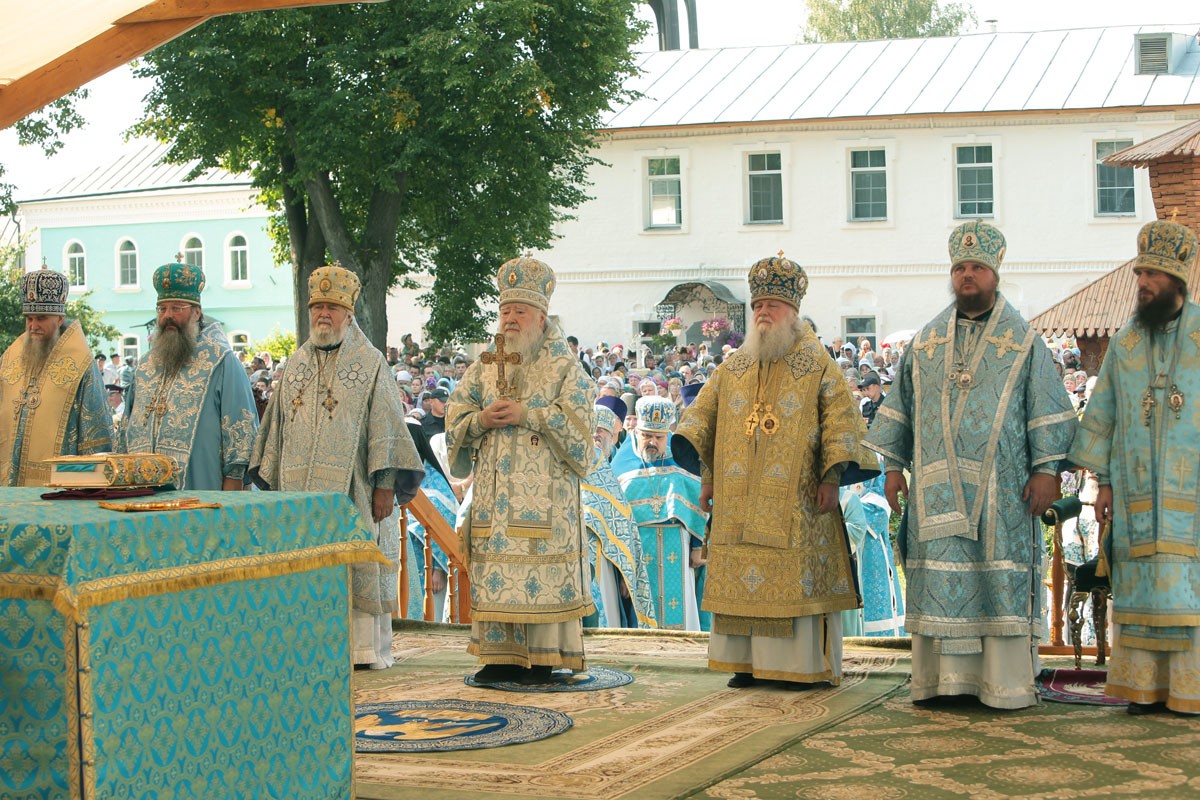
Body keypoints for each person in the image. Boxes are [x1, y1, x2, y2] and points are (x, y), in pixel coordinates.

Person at [866, 221, 1077, 708]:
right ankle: (941, 683)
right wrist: (893, 468)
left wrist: (1046, 470)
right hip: (935, 492)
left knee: (994, 585)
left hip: (1003, 495)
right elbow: (902, 407)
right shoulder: (926, 342)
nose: (967, 275)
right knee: (940, 580)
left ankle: (1001, 685)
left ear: (994, 275)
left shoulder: (1022, 342)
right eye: (960, 267)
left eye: (977, 268)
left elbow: (1047, 409)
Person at [674, 253, 878, 688]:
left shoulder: (816, 362)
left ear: (793, 310)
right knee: (739, 573)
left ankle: (797, 667)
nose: (763, 312)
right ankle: (744, 663)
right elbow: (706, 422)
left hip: (798, 501)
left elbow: (842, 423)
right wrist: (708, 478)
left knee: (794, 577)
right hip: (737, 501)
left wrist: (831, 478)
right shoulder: (735, 365)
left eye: (772, 305)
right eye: (758, 305)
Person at [250, 265, 424, 669]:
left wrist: (385, 485)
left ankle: (362, 652)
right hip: (298, 498)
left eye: (331, 307)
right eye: (317, 307)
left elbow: (386, 428)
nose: (323, 315)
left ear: (348, 313)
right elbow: (275, 430)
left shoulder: (370, 362)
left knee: (354, 567)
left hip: (354, 492)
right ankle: (308, 649)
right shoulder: (296, 364)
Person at [1068, 220, 1200, 715]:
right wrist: (1102, 483)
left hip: (1192, 498)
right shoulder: (1124, 342)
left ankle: (1189, 690)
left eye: (1152, 275)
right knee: (1138, 588)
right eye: (1139, 273)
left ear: (1176, 280)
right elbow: (1103, 416)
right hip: (1133, 493)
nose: (1142, 282)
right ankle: (1143, 689)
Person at [446, 255, 596, 685]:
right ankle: (500, 658)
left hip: (546, 502)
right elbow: (456, 413)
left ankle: (543, 658)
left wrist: (528, 414)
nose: (510, 319)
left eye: (520, 311)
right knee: (496, 576)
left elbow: (582, 432)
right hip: (493, 502)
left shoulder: (565, 366)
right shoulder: (486, 363)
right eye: (505, 311)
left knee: (540, 578)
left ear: (541, 317)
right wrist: (480, 420)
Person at [119, 261, 258, 489]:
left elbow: (241, 436)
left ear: (197, 312)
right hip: (142, 494)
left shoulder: (221, 361)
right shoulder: (144, 366)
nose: (168, 316)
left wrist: (231, 498)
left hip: (202, 490)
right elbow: (126, 427)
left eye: (177, 308)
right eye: (162, 309)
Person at [1, 265, 112, 486]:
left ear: (60, 319)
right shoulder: (11, 358)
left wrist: (86, 490)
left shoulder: (81, 365)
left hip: (60, 488)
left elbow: (95, 439)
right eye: (29, 318)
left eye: (41, 318)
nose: (33, 326)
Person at [612, 395, 708, 631]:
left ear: (669, 434)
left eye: (659, 437)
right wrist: (623, 571)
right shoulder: (623, 463)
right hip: (639, 548)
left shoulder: (682, 458)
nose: (652, 442)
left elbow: (702, 502)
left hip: (677, 543)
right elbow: (614, 519)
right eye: (646, 435)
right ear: (636, 431)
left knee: (681, 611)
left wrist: (698, 545)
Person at [581, 403, 657, 629]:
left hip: (605, 557)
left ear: (613, 436)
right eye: (592, 430)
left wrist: (626, 575)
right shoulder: (586, 460)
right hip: (584, 551)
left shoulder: (608, 467)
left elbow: (622, 521)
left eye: (602, 431)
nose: (596, 436)